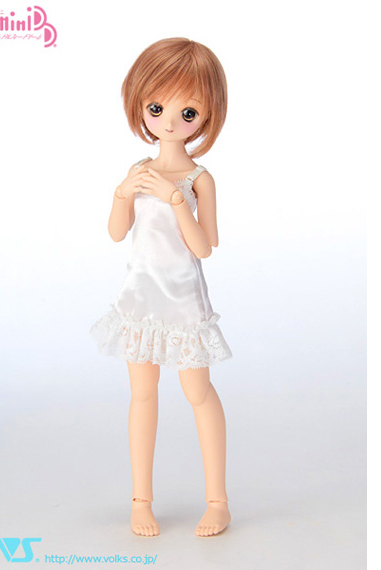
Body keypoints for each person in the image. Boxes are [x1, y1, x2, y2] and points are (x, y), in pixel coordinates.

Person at [90, 37, 233, 537]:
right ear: (141, 107)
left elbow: (205, 247)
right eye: (157, 108)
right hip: (140, 298)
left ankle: (218, 501)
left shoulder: (199, 179)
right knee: (142, 395)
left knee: (198, 391)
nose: (170, 122)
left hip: (183, 300)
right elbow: (117, 233)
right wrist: (121, 193)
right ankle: (140, 500)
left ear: (207, 114)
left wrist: (176, 201)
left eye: (187, 112)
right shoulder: (139, 171)